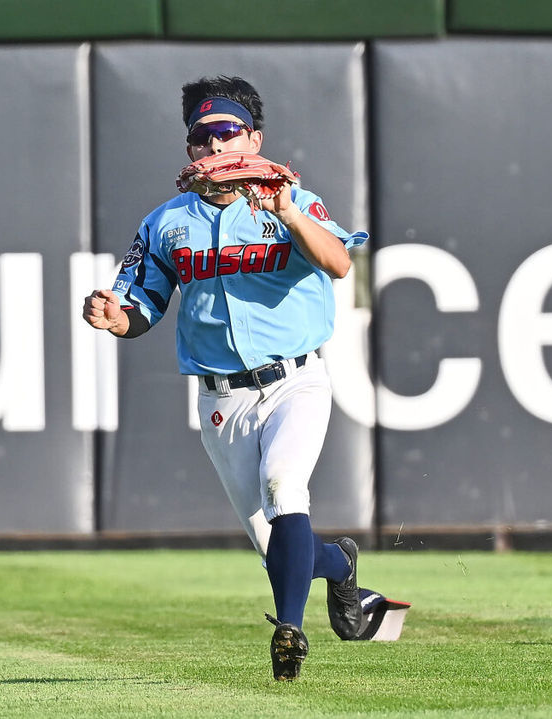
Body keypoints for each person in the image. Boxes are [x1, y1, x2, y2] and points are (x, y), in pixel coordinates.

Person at [82, 75, 369, 681]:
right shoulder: (165, 222)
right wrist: (117, 317)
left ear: (254, 138)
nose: (214, 147)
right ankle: (339, 567)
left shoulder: (294, 200)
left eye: (226, 133)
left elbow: (340, 263)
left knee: (285, 486)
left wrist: (288, 212)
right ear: (189, 150)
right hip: (222, 400)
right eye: (200, 137)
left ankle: (289, 633)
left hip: (295, 381)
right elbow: (141, 306)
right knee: (275, 546)